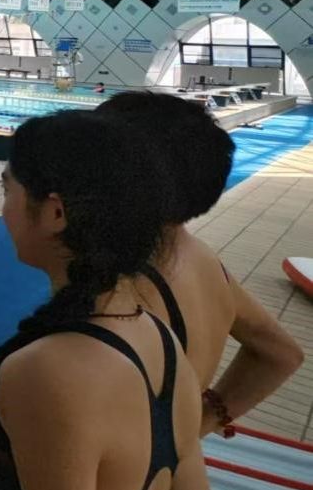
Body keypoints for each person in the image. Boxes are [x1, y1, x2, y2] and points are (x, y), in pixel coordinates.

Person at [0, 110, 217, 490]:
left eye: (8, 190)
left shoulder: (47, 372)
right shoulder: (159, 338)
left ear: (55, 213)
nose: (3, 209)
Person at [96, 92, 303, 436]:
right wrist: (198, 426)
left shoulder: (119, 292)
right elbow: (281, 353)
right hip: (163, 459)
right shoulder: (200, 258)